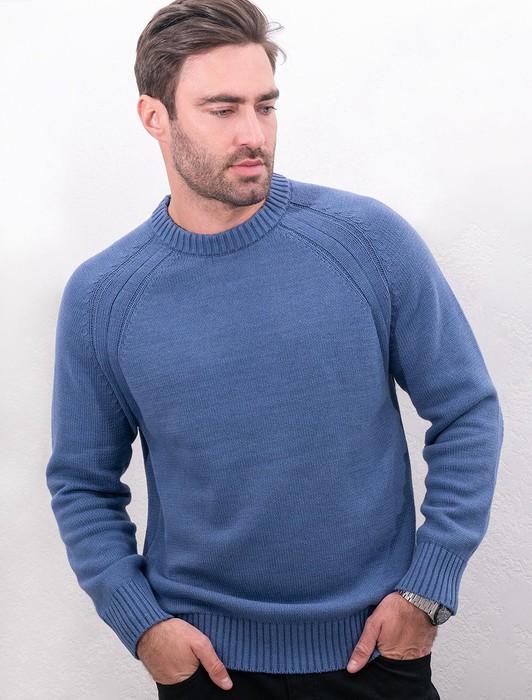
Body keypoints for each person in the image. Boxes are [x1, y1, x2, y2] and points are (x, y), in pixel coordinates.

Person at [46, 1, 503, 698]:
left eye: (265, 106)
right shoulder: (103, 295)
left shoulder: (367, 240)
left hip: (374, 657)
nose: (253, 134)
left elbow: (466, 410)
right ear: (154, 117)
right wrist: (141, 625)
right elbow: (82, 481)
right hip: (207, 668)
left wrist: (429, 589)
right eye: (222, 110)